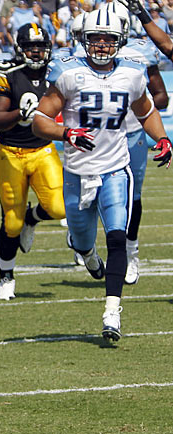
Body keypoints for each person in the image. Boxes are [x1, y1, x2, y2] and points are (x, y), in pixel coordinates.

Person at [32, 9, 172, 341]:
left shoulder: (132, 73)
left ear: (119, 41)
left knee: (117, 237)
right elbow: (39, 120)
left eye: (109, 39)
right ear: (85, 40)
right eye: (96, 38)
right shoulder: (68, 72)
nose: (102, 45)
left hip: (115, 169)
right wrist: (66, 133)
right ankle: (86, 252)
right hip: (78, 173)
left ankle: (112, 311)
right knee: (83, 239)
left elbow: (147, 111)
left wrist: (163, 138)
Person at [0, 23, 65, 300]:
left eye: (40, 47)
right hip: (10, 153)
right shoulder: (6, 73)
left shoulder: (57, 71)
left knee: (60, 208)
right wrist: (20, 113)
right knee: (12, 223)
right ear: (20, 49)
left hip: (43, 149)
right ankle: (6, 275)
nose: (36, 52)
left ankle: (34, 217)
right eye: (30, 47)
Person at [103, 1, 169, 284]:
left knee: (133, 197)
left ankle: (130, 252)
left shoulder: (139, 52)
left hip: (131, 133)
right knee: (90, 196)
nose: (103, 40)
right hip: (96, 136)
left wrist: (142, 104)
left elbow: (161, 97)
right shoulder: (81, 55)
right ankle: (83, 240)